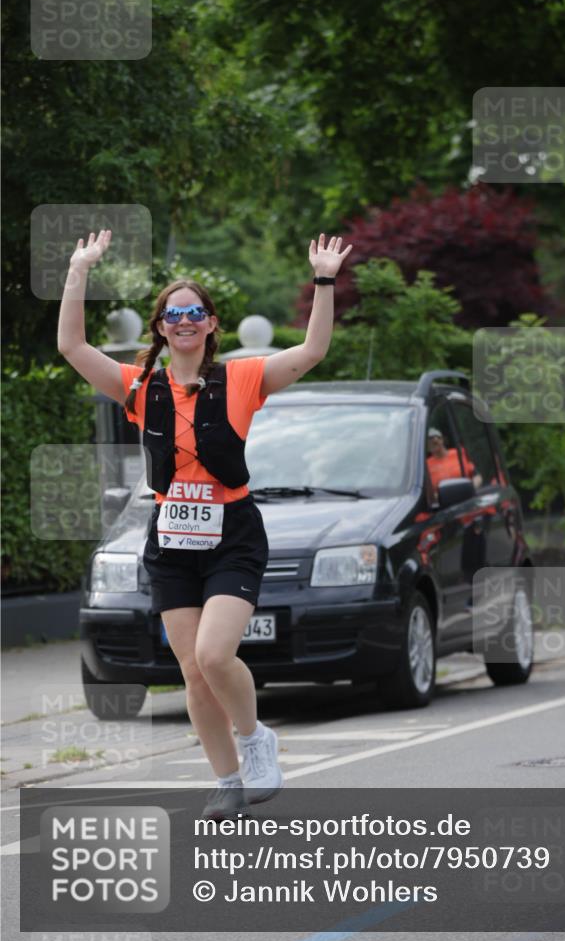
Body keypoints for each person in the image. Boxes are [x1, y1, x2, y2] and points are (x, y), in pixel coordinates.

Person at [57, 229, 353, 819]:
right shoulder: (139, 386)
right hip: (170, 538)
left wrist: (324, 280)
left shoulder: (242, 379)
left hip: (232, 534)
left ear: (212, 324)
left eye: (195, 312)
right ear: (160, 327)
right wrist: (78, 269)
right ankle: (226, 779)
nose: (185, 320)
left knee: (216, 656)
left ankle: (254, 740)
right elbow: (72, 346)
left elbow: (314, 350)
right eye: (173, 314)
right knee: (192, 671)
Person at [426, 427, 482, 493]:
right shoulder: (426, 465)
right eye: (428, 442)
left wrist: (471, 489)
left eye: (433, 439)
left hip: (468, 498)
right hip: (446, 502)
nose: (432, 444)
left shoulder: (459, 453)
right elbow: (429, 492)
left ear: (442, 440)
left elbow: (477, 476)